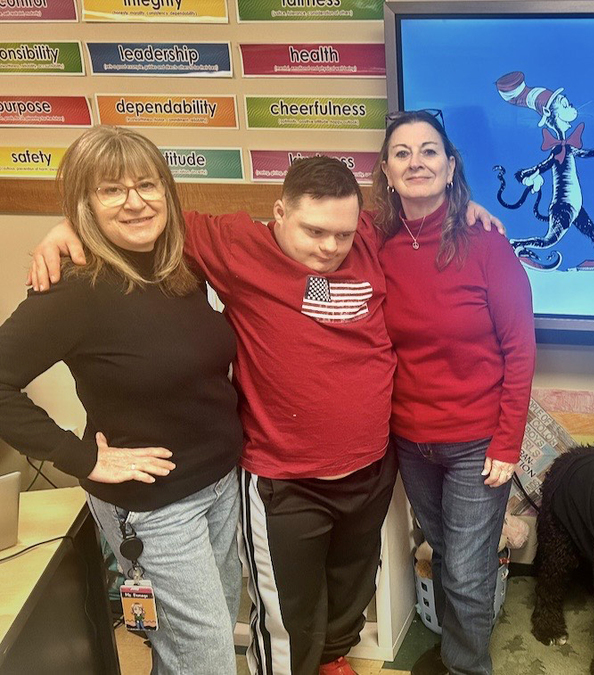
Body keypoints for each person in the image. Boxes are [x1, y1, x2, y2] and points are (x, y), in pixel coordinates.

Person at [29, 135, 506, 675]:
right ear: (279, 214)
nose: (330, 247)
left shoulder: (372, 235)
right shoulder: (235, 244)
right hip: (284, 478)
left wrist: (460, 203)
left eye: (342, 234)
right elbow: (140, 217)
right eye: (314, 232)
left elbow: (422, 209)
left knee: (350, 591)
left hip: (371, 467)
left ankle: (333, 660)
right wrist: (69, 227)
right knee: (287, 618)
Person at [0, 125, 244, 674]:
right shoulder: (72, 290)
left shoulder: (182, 263)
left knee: (196, 649)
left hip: (220, 483)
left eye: (147, 184)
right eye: (111, 190)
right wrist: (82, 458)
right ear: (84, 204)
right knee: (206, 663)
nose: (135, 201)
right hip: (154, 507)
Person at [370, 110, 536, 675]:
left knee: (466, 573)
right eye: (401, 153)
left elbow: (520, 349)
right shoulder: (374, 245)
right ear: (387, 172)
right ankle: (453, 656)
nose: (415, 161)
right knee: (446, 558)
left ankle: (468, 667)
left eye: (429, 151)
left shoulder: (486, 243)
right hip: (411, 442)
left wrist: (507, 443)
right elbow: (303, 235)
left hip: (476, 444)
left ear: (450, 167)